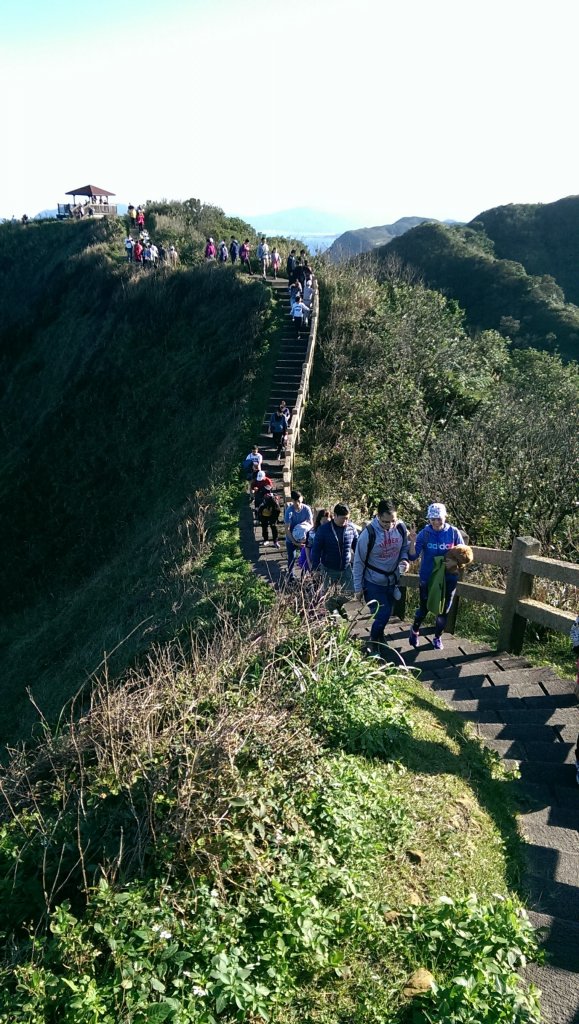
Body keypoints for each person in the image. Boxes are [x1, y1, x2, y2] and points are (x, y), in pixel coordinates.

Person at [353, 500, 410, 652]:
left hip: (392, 580)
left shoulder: (400, 527)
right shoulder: (369, 534)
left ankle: (379, 636)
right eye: (385, 522)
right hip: (373, 581)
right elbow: (358, 561)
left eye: (393, 521)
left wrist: (404, 559)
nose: (390, 525)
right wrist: (358, 587)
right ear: (378, 516)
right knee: (382, 613)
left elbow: (405, 546)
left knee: (386, 612)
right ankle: (372, 642)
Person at [407, 502, 465, 651]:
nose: (436, 522)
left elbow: (464, 554)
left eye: (439, 518)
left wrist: (454, 563)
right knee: (424, 608)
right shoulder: (425, 533)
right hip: (429, 577)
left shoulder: (453, 532)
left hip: (448, 577)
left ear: (445, 517)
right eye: (432, 519)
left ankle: (437, 637)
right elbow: (413, 556)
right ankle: (414, 629)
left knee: (443, 610)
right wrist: (412, 541)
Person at [311, 503, 358, 600]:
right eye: (343, 518)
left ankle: (339, 608)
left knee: (350, 594)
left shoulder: (351, 528)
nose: (346, 521)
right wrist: (315, 568)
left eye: (347, 518)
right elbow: (316, 550)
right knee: (325, 596)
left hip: (346, 568)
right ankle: (328, 612)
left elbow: (357, 547)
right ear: (335, 515)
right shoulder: (323, 530)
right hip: (328, 569)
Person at [284, 491, 313, 578]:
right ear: (292, 500)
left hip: (304, 538)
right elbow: (287, 529)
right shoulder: (289, 511)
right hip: (291, 538)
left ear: (302, 499)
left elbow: (311, 525)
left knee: (305, 556)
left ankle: (305, 574)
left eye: (299, 501)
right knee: (292, 557)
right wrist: (294, 542)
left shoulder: (307, 509)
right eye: (295, 501)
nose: (298, 504)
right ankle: (290, 575)